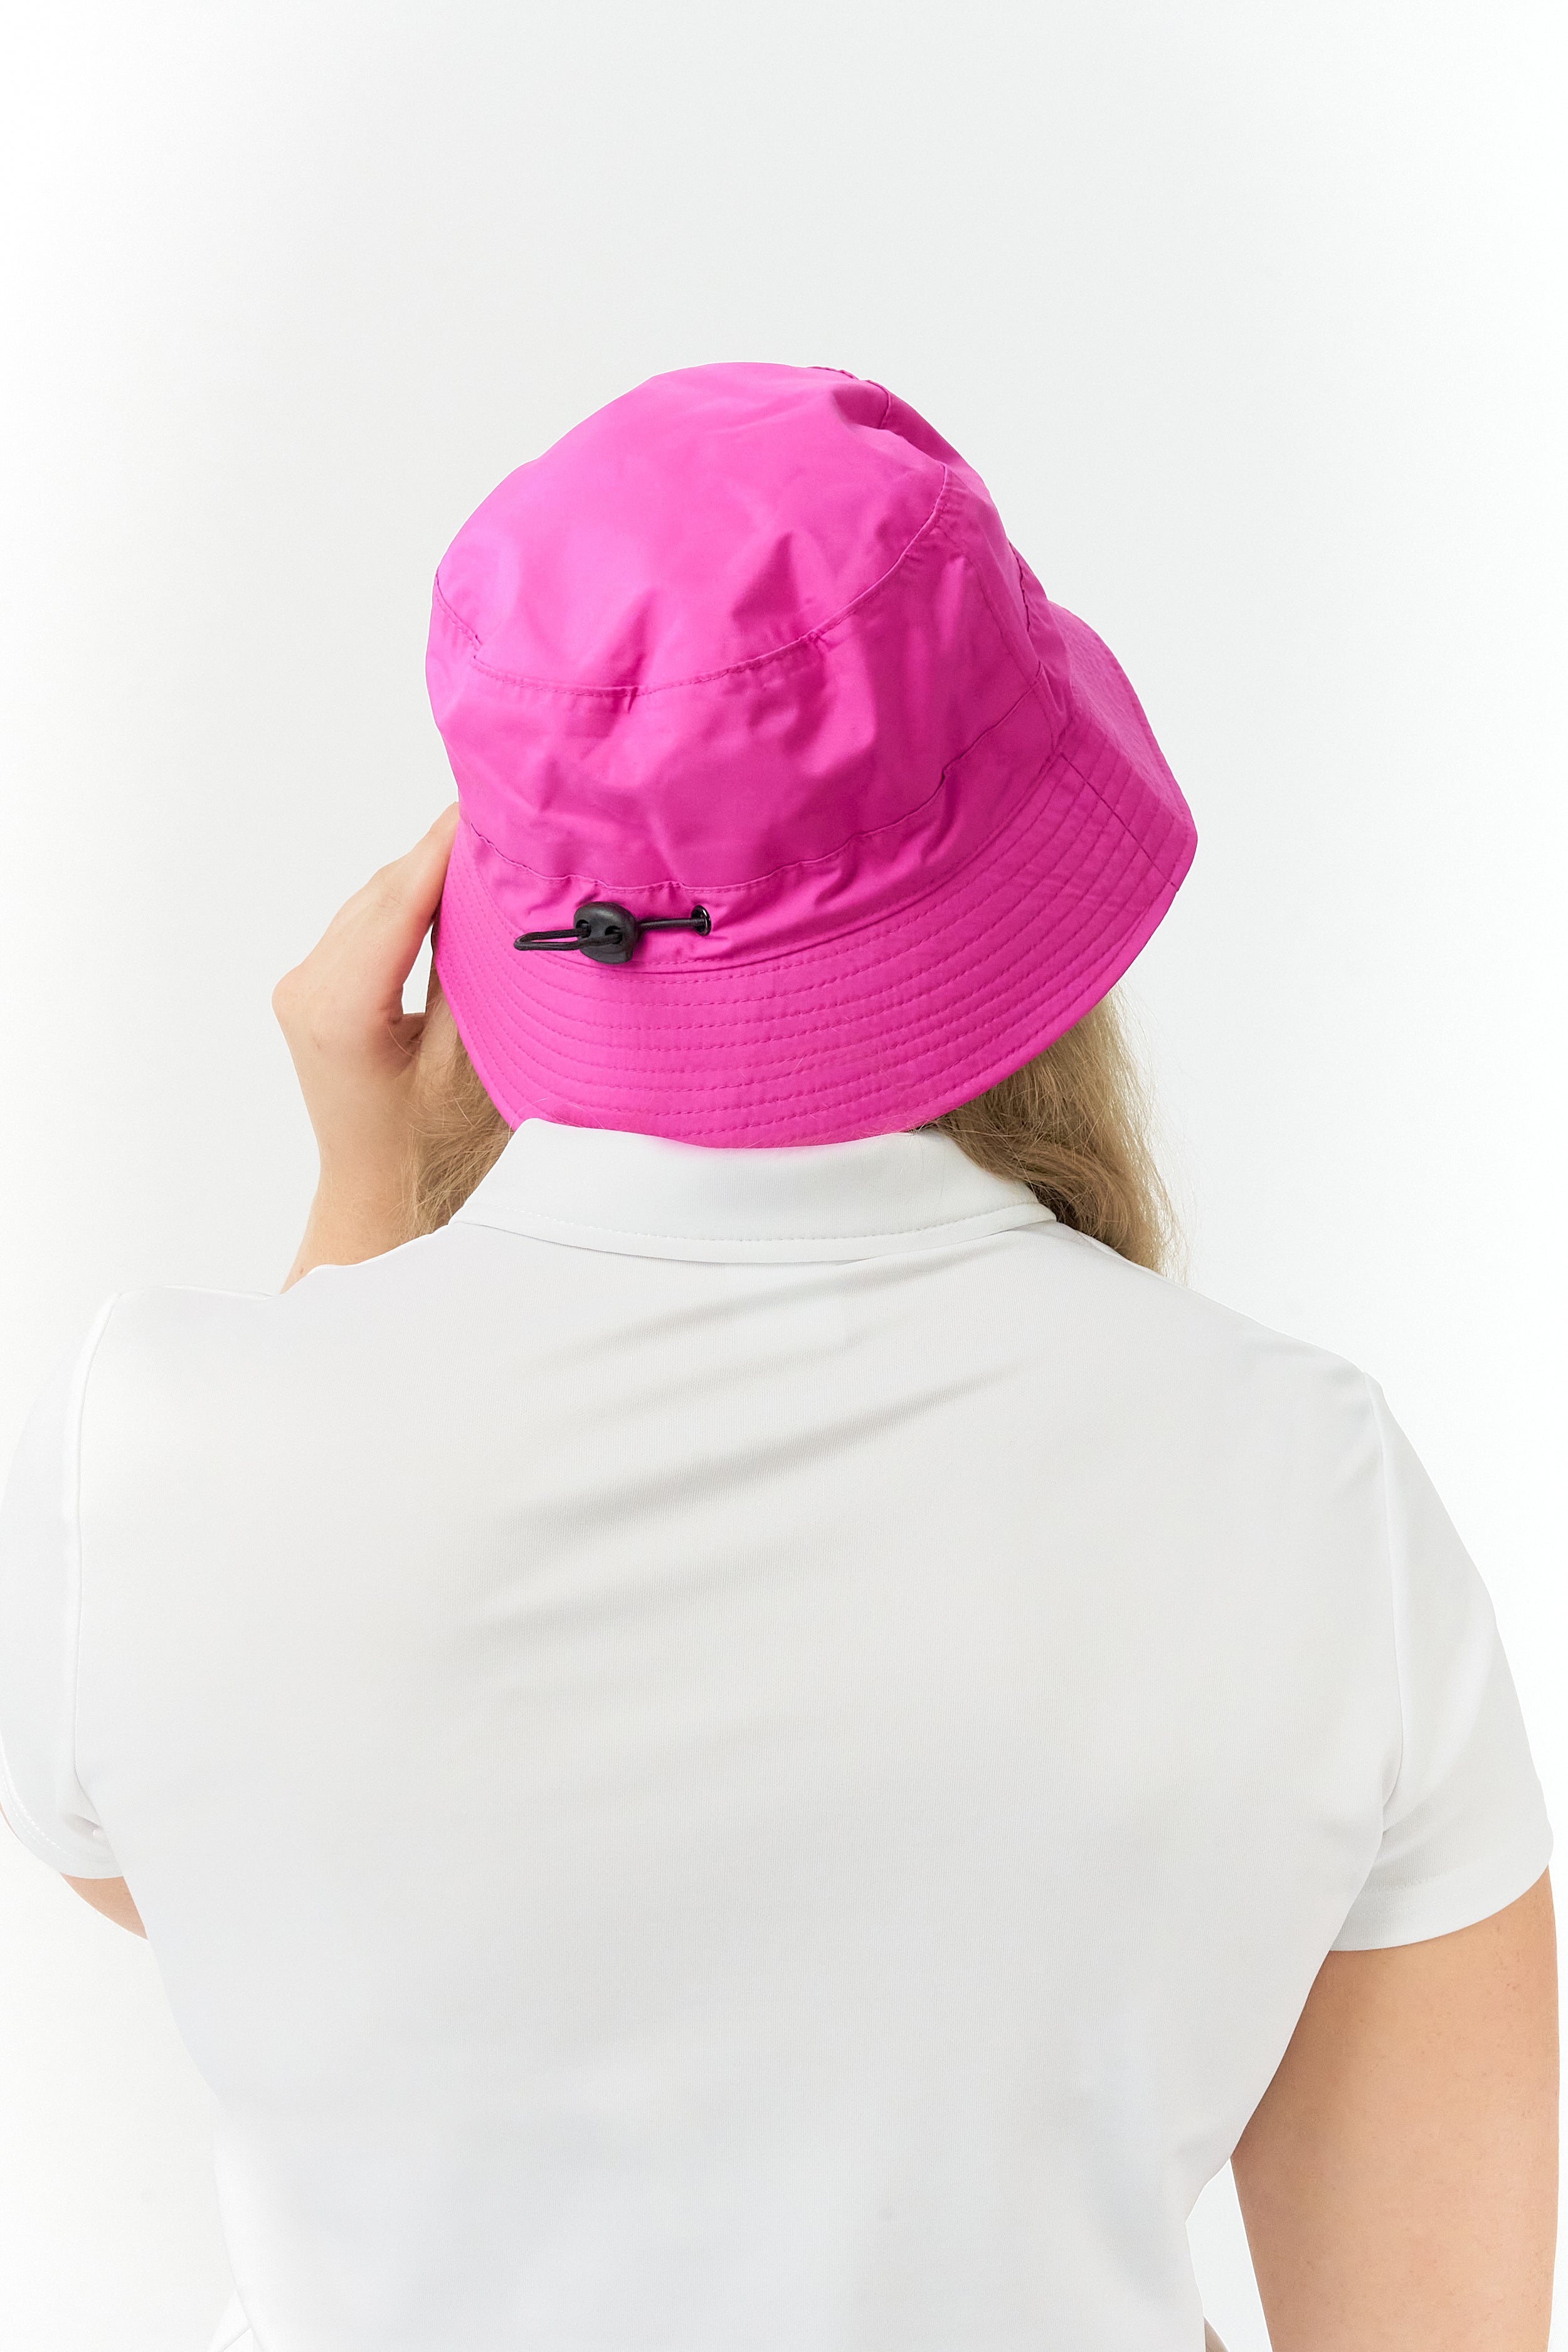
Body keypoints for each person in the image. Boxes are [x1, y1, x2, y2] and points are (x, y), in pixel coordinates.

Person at [0, 363, 1555, 2352]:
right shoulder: (1301, 1489)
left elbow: (232, 1862)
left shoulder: (155, 1457)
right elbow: (1431, 2325)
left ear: (478, 888)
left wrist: (367, 1186)